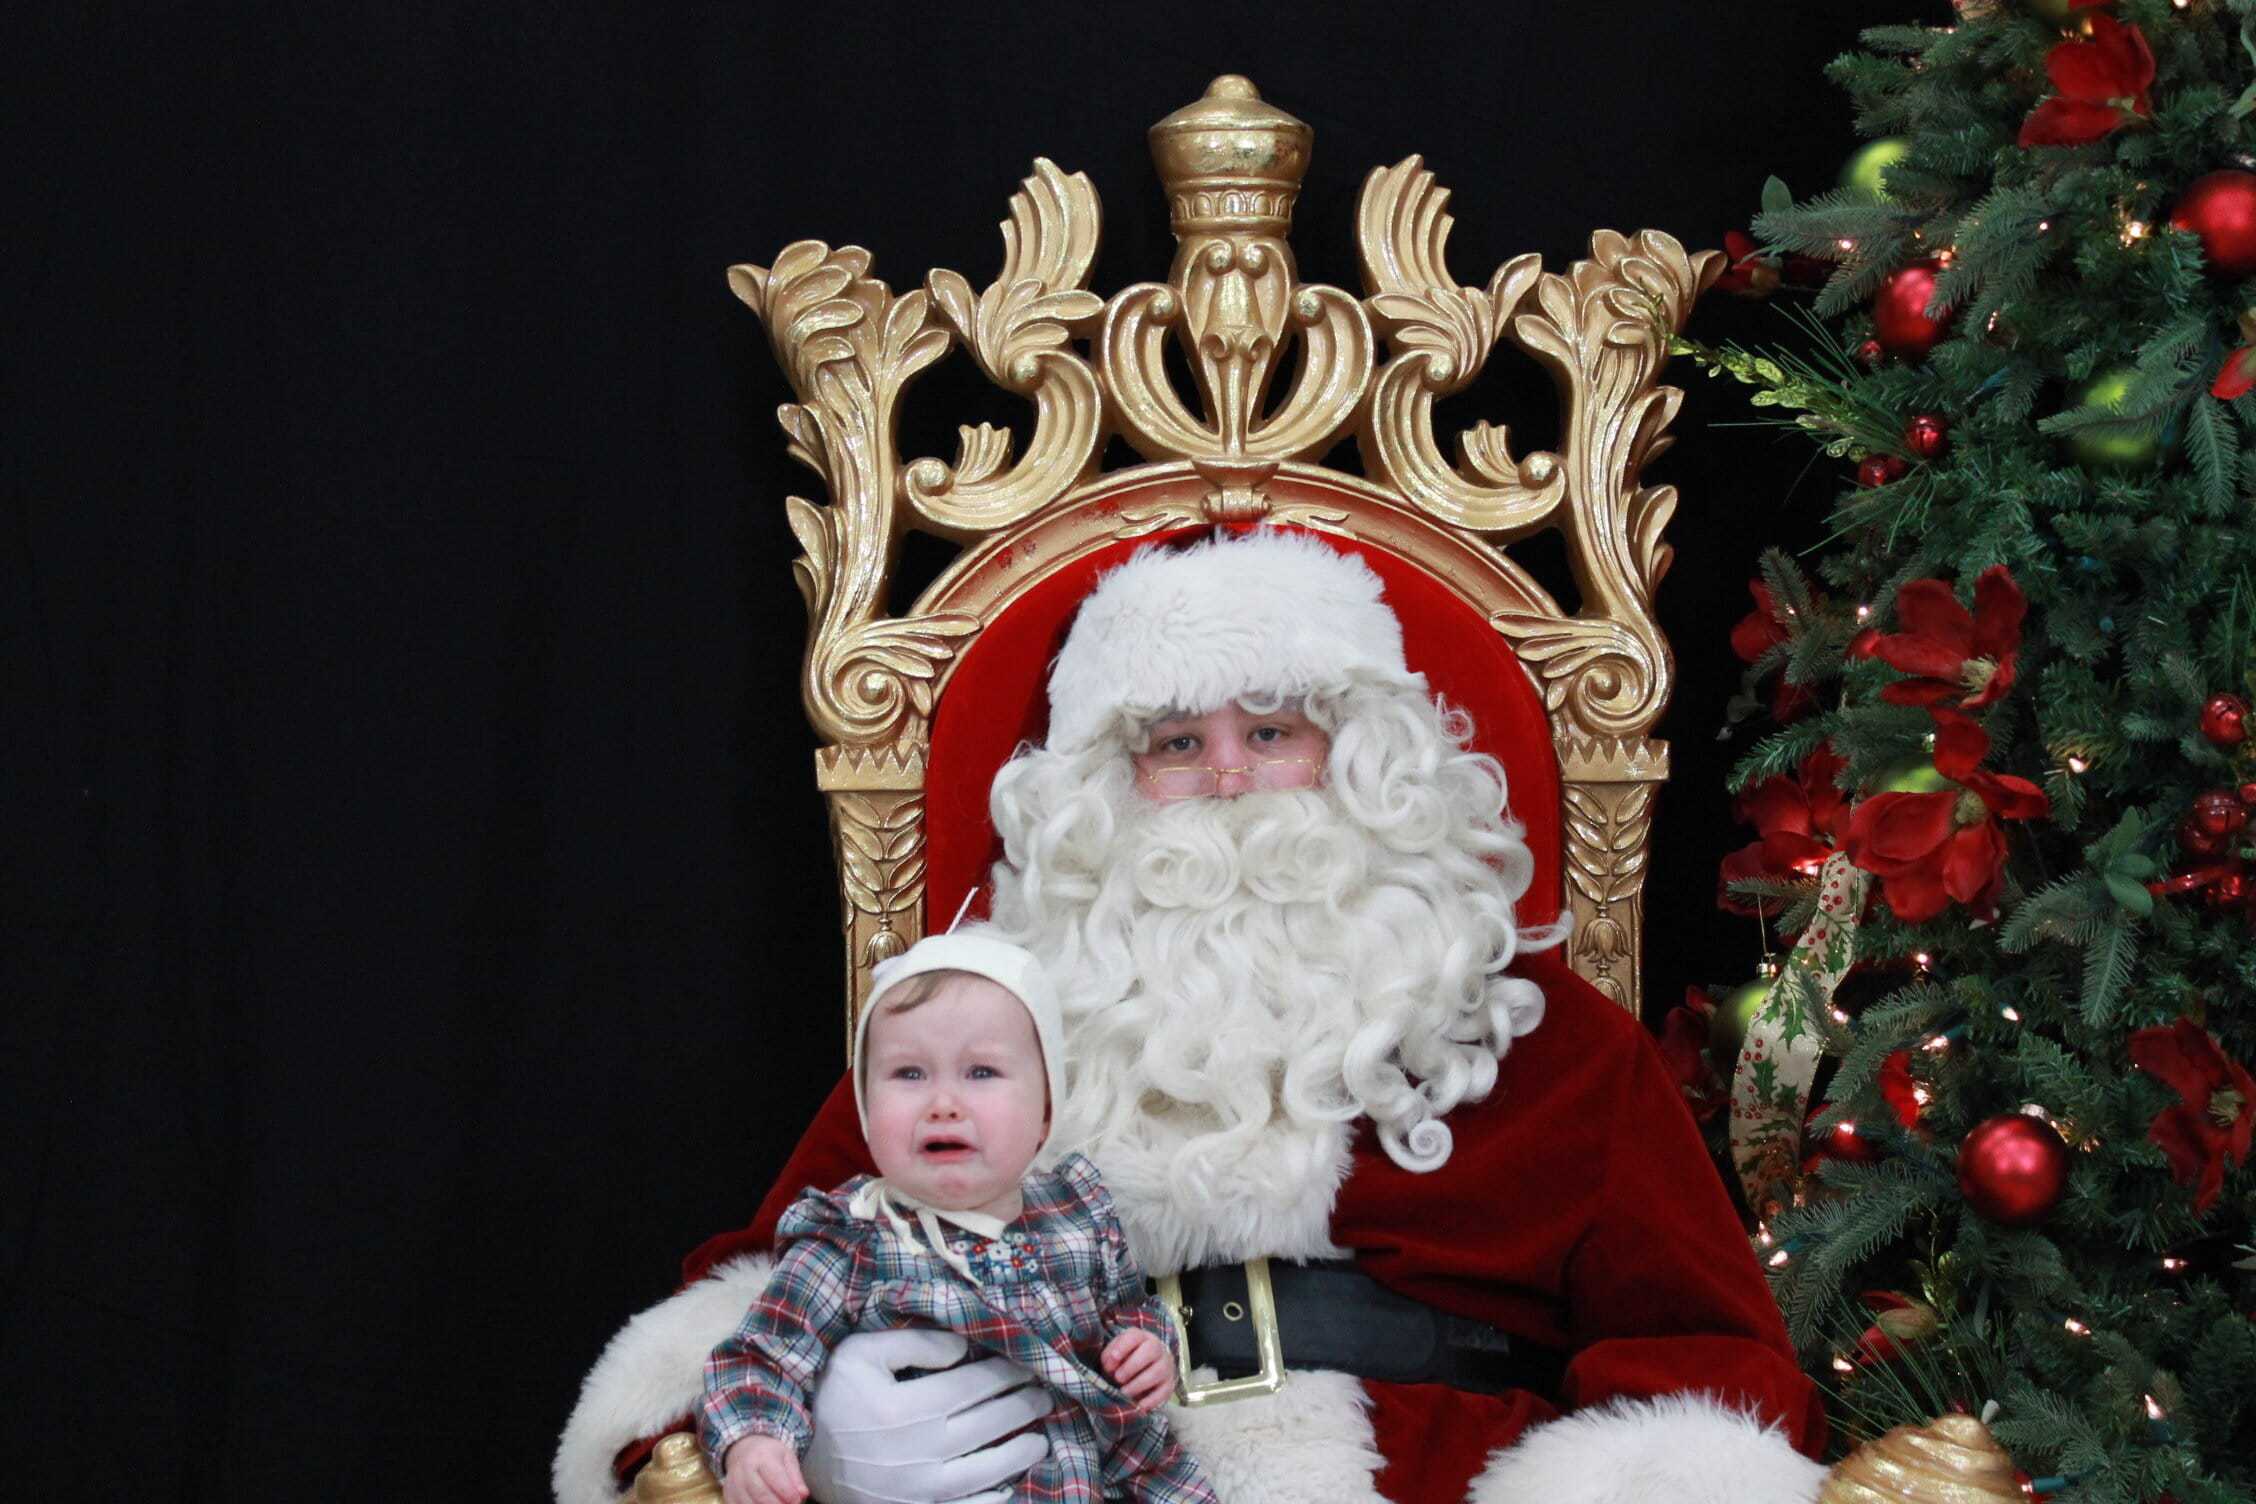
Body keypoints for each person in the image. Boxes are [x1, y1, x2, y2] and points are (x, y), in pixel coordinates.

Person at [557, 528, 1831, 1504]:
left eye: (1273, 730)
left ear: (1368, 758)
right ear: (1101, 791)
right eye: (1173, 743)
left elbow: (1720, 1372)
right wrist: (813, 1425)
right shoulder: (984, 1021)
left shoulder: (1547, 1044)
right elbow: (756, 1286)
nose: (1227, 777)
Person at [699, 933, 1216, 1504]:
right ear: (867, 1113)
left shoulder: (1076, 1214)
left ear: (1045, 1111)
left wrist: (1147, 1348)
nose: (943, 1102)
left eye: (982, 1072)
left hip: (1114, 1477)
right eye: (909, 1074)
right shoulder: (849, 1242)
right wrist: (754, 1443)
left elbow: (1128, 1309)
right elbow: (759, 1356)